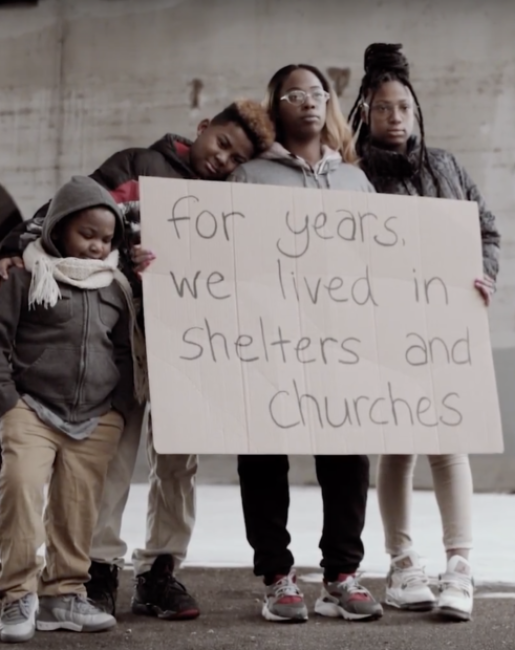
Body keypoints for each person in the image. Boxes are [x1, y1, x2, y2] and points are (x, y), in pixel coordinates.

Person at [0, 99, 275, 619]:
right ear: (202, 128)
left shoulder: (232, 199)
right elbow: (65, 214)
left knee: (177, 462)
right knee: (113, 455)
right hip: (120, 335)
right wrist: (11, 247)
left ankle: (160, 570)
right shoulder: (134, 166)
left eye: (235, 157)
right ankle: (98, 567)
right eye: (220, 143)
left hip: (190, 341)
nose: (222, 160)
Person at [348, 43, 501, 622]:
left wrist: (484, 276)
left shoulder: (448, 167)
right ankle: (403, 561)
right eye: (384, 108)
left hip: (444, 328)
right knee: (398, 443)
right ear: (367, 111)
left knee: (449, 441)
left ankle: (459, 565)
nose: (395, 117)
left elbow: (486, 229)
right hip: (384, 329)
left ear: (416, 111)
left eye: (404, 108)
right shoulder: (352, 176)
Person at [229, 64, 383, 623]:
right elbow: (228, 261)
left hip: (339, 341)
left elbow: (379, 262)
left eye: (317, 93)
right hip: (271, 339)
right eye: (294, 94)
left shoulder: (355, 182)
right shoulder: (249, 178)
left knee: (347, 456)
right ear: (277, 107)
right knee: (264, 455)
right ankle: (277, 576)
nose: (308, 102)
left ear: (329, 104)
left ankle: (341, 575)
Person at [0, 176, 135, 643]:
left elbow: (123, 351)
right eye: (87, 235)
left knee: (78, 507)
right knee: (19, 488)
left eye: (106, 238)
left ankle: (63, 594)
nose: (98, 247)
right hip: (30, 407)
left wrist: (116, 407)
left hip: (94, 415)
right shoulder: (22, 274)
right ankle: (16, 593)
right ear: (58, 229)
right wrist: (8, 400)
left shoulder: (116, 287)